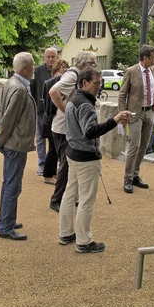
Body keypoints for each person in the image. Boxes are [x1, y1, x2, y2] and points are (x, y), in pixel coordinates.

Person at [59, 67, 131, 253]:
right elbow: (90, 132)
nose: (99, 86)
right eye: (97, 83)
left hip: (72, 152)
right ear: (85, 83)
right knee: (86, 200)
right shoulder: (85, 104)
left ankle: (66, 233)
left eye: (100, 83)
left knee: (70, 193)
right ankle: (84, 241)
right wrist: (114, 120)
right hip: (85, 157)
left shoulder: (73, 99)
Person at [0, 52, 36, 241]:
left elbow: (0, 111)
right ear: (25, 68)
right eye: (33, 65)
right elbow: (8, 118)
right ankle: (6, 226)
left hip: (14, 142)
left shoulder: (12, 82)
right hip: (15, 144)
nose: (35, 67)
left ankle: (6, 220)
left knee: (9, 184)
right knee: (12, 185)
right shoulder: (18, 88)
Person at [48, 51, 98, 211]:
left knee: (69, 165)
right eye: (93, 64)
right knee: (65, 165)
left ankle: (69, 198)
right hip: (63, 128)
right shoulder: (72, 76)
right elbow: (53, 92)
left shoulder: (75, 75)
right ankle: (56, 200)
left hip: (65, 127)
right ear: (84, 64)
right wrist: (65, 111)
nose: (94, 68)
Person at [118, 45, 154, 193]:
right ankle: (127, 178)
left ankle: (135, 175)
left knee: (144, 146)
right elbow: (122, 94)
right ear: (145, 58)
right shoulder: (131, 71)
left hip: (149, 113)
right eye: (153, 57)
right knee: (134, 146)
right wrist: (123, 113)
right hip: (135, 114)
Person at [41, 59, 69, 184]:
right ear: (57, 69)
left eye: (67, 67)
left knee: (54, 148)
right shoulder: (54, 82)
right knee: (53, 149)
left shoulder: (52, 82)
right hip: (52, 119)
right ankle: (48, 175)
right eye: (63, 67)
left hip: (51, 119)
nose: (66, 69)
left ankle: (52, 173)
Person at [31, 48, 58, 175]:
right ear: (44, 57)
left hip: (56, 112)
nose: (51, 59)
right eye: (48, 56)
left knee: (55, 139)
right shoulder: (38, 71)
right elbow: (33, 90)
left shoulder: (60, 71)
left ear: (56, 57)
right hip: (41, 111)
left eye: (53, 56)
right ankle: (41, 163)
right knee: (40, 138)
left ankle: (53, 163)